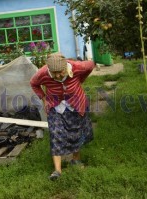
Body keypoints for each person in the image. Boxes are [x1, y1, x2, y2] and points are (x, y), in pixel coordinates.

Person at [30, 52, 95, 180]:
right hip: (55, 106)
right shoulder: (43, 73)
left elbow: (90, 65)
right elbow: (33, 83)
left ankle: (76, 160)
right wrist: (43, 98)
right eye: (54, 73)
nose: (58, 76)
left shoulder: (76, 67)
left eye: (61, 72)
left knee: (76, 132)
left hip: (76, 104)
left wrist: (80, 79)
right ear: (49, 70)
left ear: (65, 67)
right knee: (55, 133)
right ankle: (57, 171)